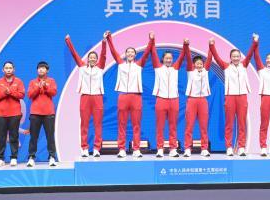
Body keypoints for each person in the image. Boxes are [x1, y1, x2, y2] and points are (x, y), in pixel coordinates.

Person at [105, 30, 153, 158]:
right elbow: (113, 52)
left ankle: (136, 149)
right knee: (122, 124)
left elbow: (147, 52)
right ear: (125, 54)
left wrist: (151, 40)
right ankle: (122, 149)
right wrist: (109, 38)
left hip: (136, 97)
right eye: (128, 52)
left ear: (135, 55)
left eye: (132, 52)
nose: (130, 53)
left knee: (136, 124)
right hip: (123, 96)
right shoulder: (121, 64)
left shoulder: (139, 65)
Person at [208, 34, 258, 156]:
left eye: (237, 56)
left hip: (242, 97)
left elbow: (250, 54)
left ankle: (241, 147)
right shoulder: (226, 66)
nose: (236, 58)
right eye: (233, 56)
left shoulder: (244, 65)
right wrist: (212, 45)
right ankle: (229, 147)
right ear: (230, 57)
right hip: (230, 97)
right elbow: (216, 57)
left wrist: (254, 42)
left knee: (242, 123)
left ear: (240, 57)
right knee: (229, 123)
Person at [65, 34, 107, 157]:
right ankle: (84, 148)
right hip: (85, 97)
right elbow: (74, 54)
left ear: (97, 59)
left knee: (98, 124)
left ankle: (97, 149)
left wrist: (104, 42)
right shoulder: (82, 67)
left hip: (97, 97)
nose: (92, 59)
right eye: (90, 57)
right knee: (84, 124)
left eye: (94, 58)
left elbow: (104, 55)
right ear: (88, 59)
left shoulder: (100, 67)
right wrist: (68, 41)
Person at [150, 36, 186, 157]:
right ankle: (160, 149)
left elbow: (182, 56)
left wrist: (185, 45)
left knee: (173, 126)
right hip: (161, 99)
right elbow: (153, 53)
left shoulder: (175, 68)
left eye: (170, 58)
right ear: (163, 59)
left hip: (174, 100)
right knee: (160, 126)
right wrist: (152, 40)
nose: (169, 60)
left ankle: (173, 149)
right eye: (166, 58)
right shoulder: (158, 68)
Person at [0, 61, 25, 167]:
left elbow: (22, 95)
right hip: (1, 114)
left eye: (10, 68)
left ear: (13, 69)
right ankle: (0, 158)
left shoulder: (18, 81)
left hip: (15, 113)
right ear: (3, 70)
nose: (8, 70)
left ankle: (14, 158)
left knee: (14, 137)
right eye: (6, 68)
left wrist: (11, 92)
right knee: (1, 137)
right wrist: (4, 93)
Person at [183, 41, 213, 157]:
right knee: (189, 126)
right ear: (194, 64)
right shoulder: (190, 71)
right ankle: (187, 148)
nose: (199, 65)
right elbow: (188, 57)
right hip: (192, 100)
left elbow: (209, 58)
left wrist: (211, 46)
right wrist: (186, 46)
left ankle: (204, 148)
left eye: (201, 63)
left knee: (203, 126)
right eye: (197, 63)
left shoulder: (205, 71)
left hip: (203, 101)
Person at [27, 61, 58, 167]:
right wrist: (38, 87)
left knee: (50, 136)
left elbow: (53, 93)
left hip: (48, 113)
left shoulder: (51, 81)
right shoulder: (32, 82)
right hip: (35, 113)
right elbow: (30, 95)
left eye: (43, 68)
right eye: (39, 68)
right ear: (37, 70)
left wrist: (45, 87)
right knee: (33, 137)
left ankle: (52, 157)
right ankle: (31, 157)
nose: (41, 69)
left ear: (47, 70)